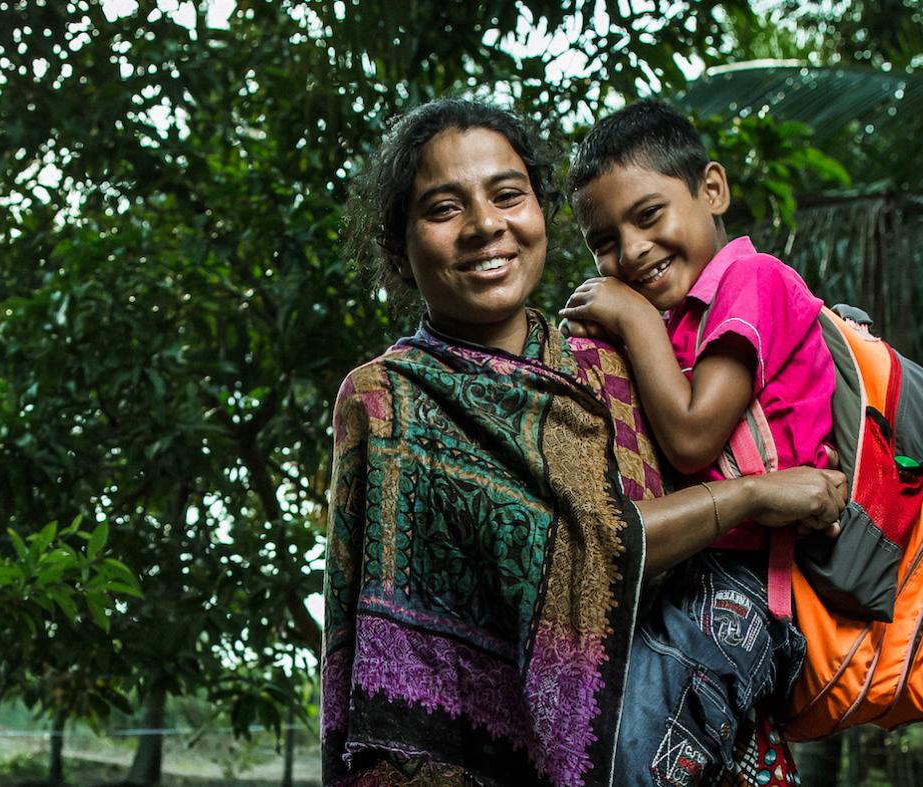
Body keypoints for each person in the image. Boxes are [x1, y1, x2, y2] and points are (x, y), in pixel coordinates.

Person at [323, 98, 846, 787]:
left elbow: (707, 485)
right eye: (444, 208)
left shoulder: (612, 360)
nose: (486, 226)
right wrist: (753, 493)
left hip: (698, 739)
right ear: (401, 243)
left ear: (539, 214)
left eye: (508, 195)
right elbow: (575, 549)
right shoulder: (390, 399)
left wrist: (807, 474)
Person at [559, 101, 837, 785]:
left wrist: (628, 315)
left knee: (635, 762)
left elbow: (691, 436)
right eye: (605, 241)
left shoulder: (752, 279)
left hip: (748, 586)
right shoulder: (675, 321)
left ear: (712, 189)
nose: (632, 251)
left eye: (649, 215)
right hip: (699, 573)